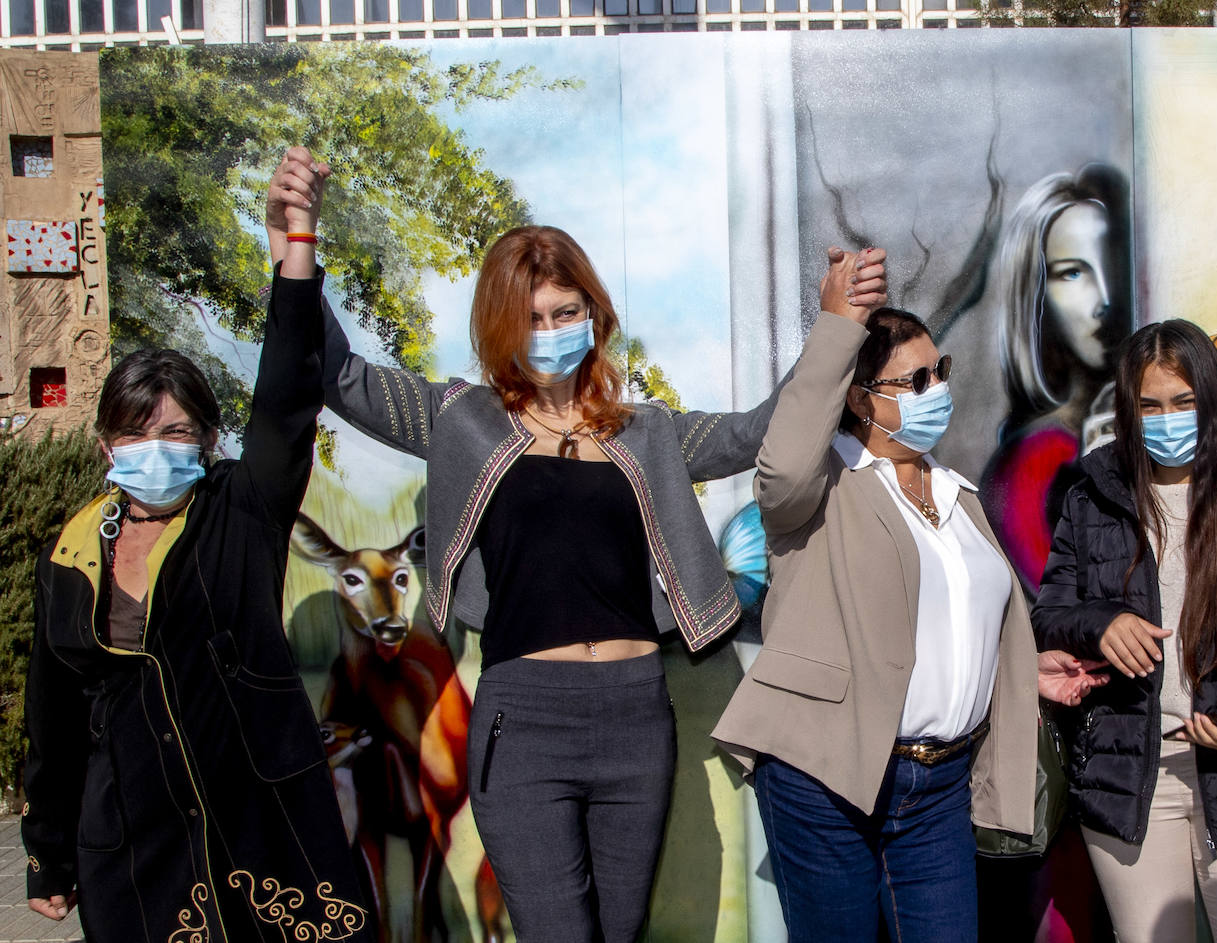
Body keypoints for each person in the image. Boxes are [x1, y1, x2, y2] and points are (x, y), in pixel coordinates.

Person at [265, 147, 889, 943]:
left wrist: (837, 323)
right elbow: (338, 375)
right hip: (523, 725)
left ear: (593, 314)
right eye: (533, 316)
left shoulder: (646, 430)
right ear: (501, 325)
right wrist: (297, 239)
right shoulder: (462, 419)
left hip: (636, 715)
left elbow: (757, 432)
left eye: (568, 311)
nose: (554, 331)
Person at [23, 157, 374, 941]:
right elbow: (54, 713)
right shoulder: (73, 551)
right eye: (136, 433)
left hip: (265, 834)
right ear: (104, 446)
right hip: (139, 850)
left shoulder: (240, 508)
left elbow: (286, 388)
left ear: (209, 440)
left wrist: (296, 238)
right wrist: (49, 850)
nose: (157, 448)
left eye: (177, 431)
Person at [710, 250, 1107, 943]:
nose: (935, 388)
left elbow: (956, 620)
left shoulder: (959, 495)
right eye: (915, 379)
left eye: (940, 371)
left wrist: (1022, 671)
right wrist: (838, 324)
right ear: (863, 400)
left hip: (938, 788)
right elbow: (781, 466)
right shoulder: (820, 488)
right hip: (825, 777)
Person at [1032, 319, 1217, 943]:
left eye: (1183, 402)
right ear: (1127, 409)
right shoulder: (1093, 497)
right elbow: (1049, 614)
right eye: (1148, 405)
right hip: (1129, 780)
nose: (1166, 419)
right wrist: (1100, 625)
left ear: (1213, 400)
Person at [980, 165, 1134, 593]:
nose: (1105, 297)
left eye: (1112, 263)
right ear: (1037, 298)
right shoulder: (1032, 464)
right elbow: (1071, 607)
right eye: (1073, 272)